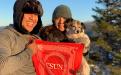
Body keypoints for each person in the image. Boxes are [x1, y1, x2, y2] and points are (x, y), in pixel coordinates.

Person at [40, 5, 90, 75]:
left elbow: (84, 60)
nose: (61, 21)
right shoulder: (45, 34)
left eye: (64, 18)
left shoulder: (76, 36)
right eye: (57, 18)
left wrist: (84, 51)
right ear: (53, 20)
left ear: (69, 21)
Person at [0, 0, 43, 75]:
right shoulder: (6, 36)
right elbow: (1, 68)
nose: (33, 18)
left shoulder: (36, 38)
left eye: (36, 14)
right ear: (18, 14)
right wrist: (29, 52)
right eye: (28, 12)